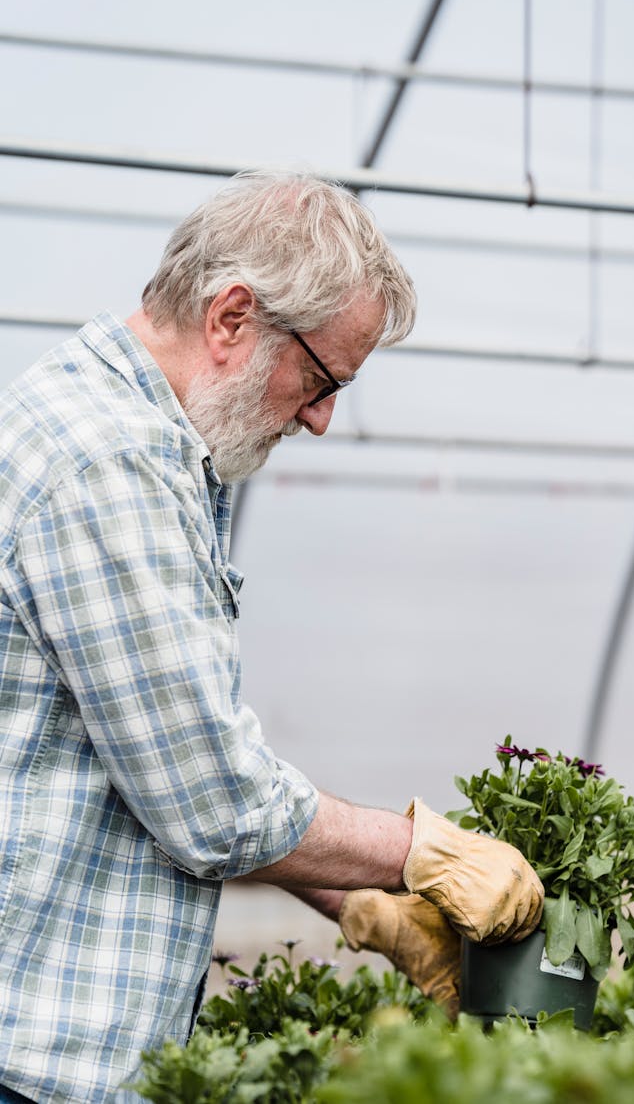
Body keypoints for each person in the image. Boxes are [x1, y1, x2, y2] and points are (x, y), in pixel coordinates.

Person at [0, 170, 544, 1102]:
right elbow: (206, 793)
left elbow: (150, 758)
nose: (323, 417)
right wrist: (421, 849)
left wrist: (349, 896)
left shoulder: (144, 446)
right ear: (232, 318)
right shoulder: (107, 463)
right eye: (322, 377)